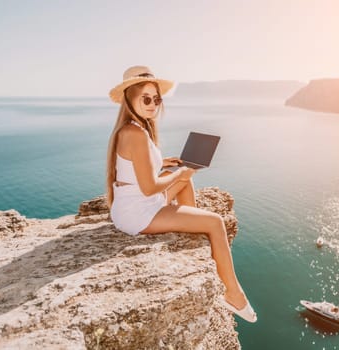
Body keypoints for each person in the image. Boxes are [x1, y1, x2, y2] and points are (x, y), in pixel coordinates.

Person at [106, 65, 257, 323]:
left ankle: (190, 225)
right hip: (138, 213)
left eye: (157, 98)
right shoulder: (135, 133)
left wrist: (164, 163)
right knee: (215, 222)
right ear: (129, 98)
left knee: (185, 185)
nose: (153, 104)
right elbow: (150, 188)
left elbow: (135, 166)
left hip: (133, 205)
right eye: (146, 98)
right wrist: (182, 172)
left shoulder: (134, 128)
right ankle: (233, 294)